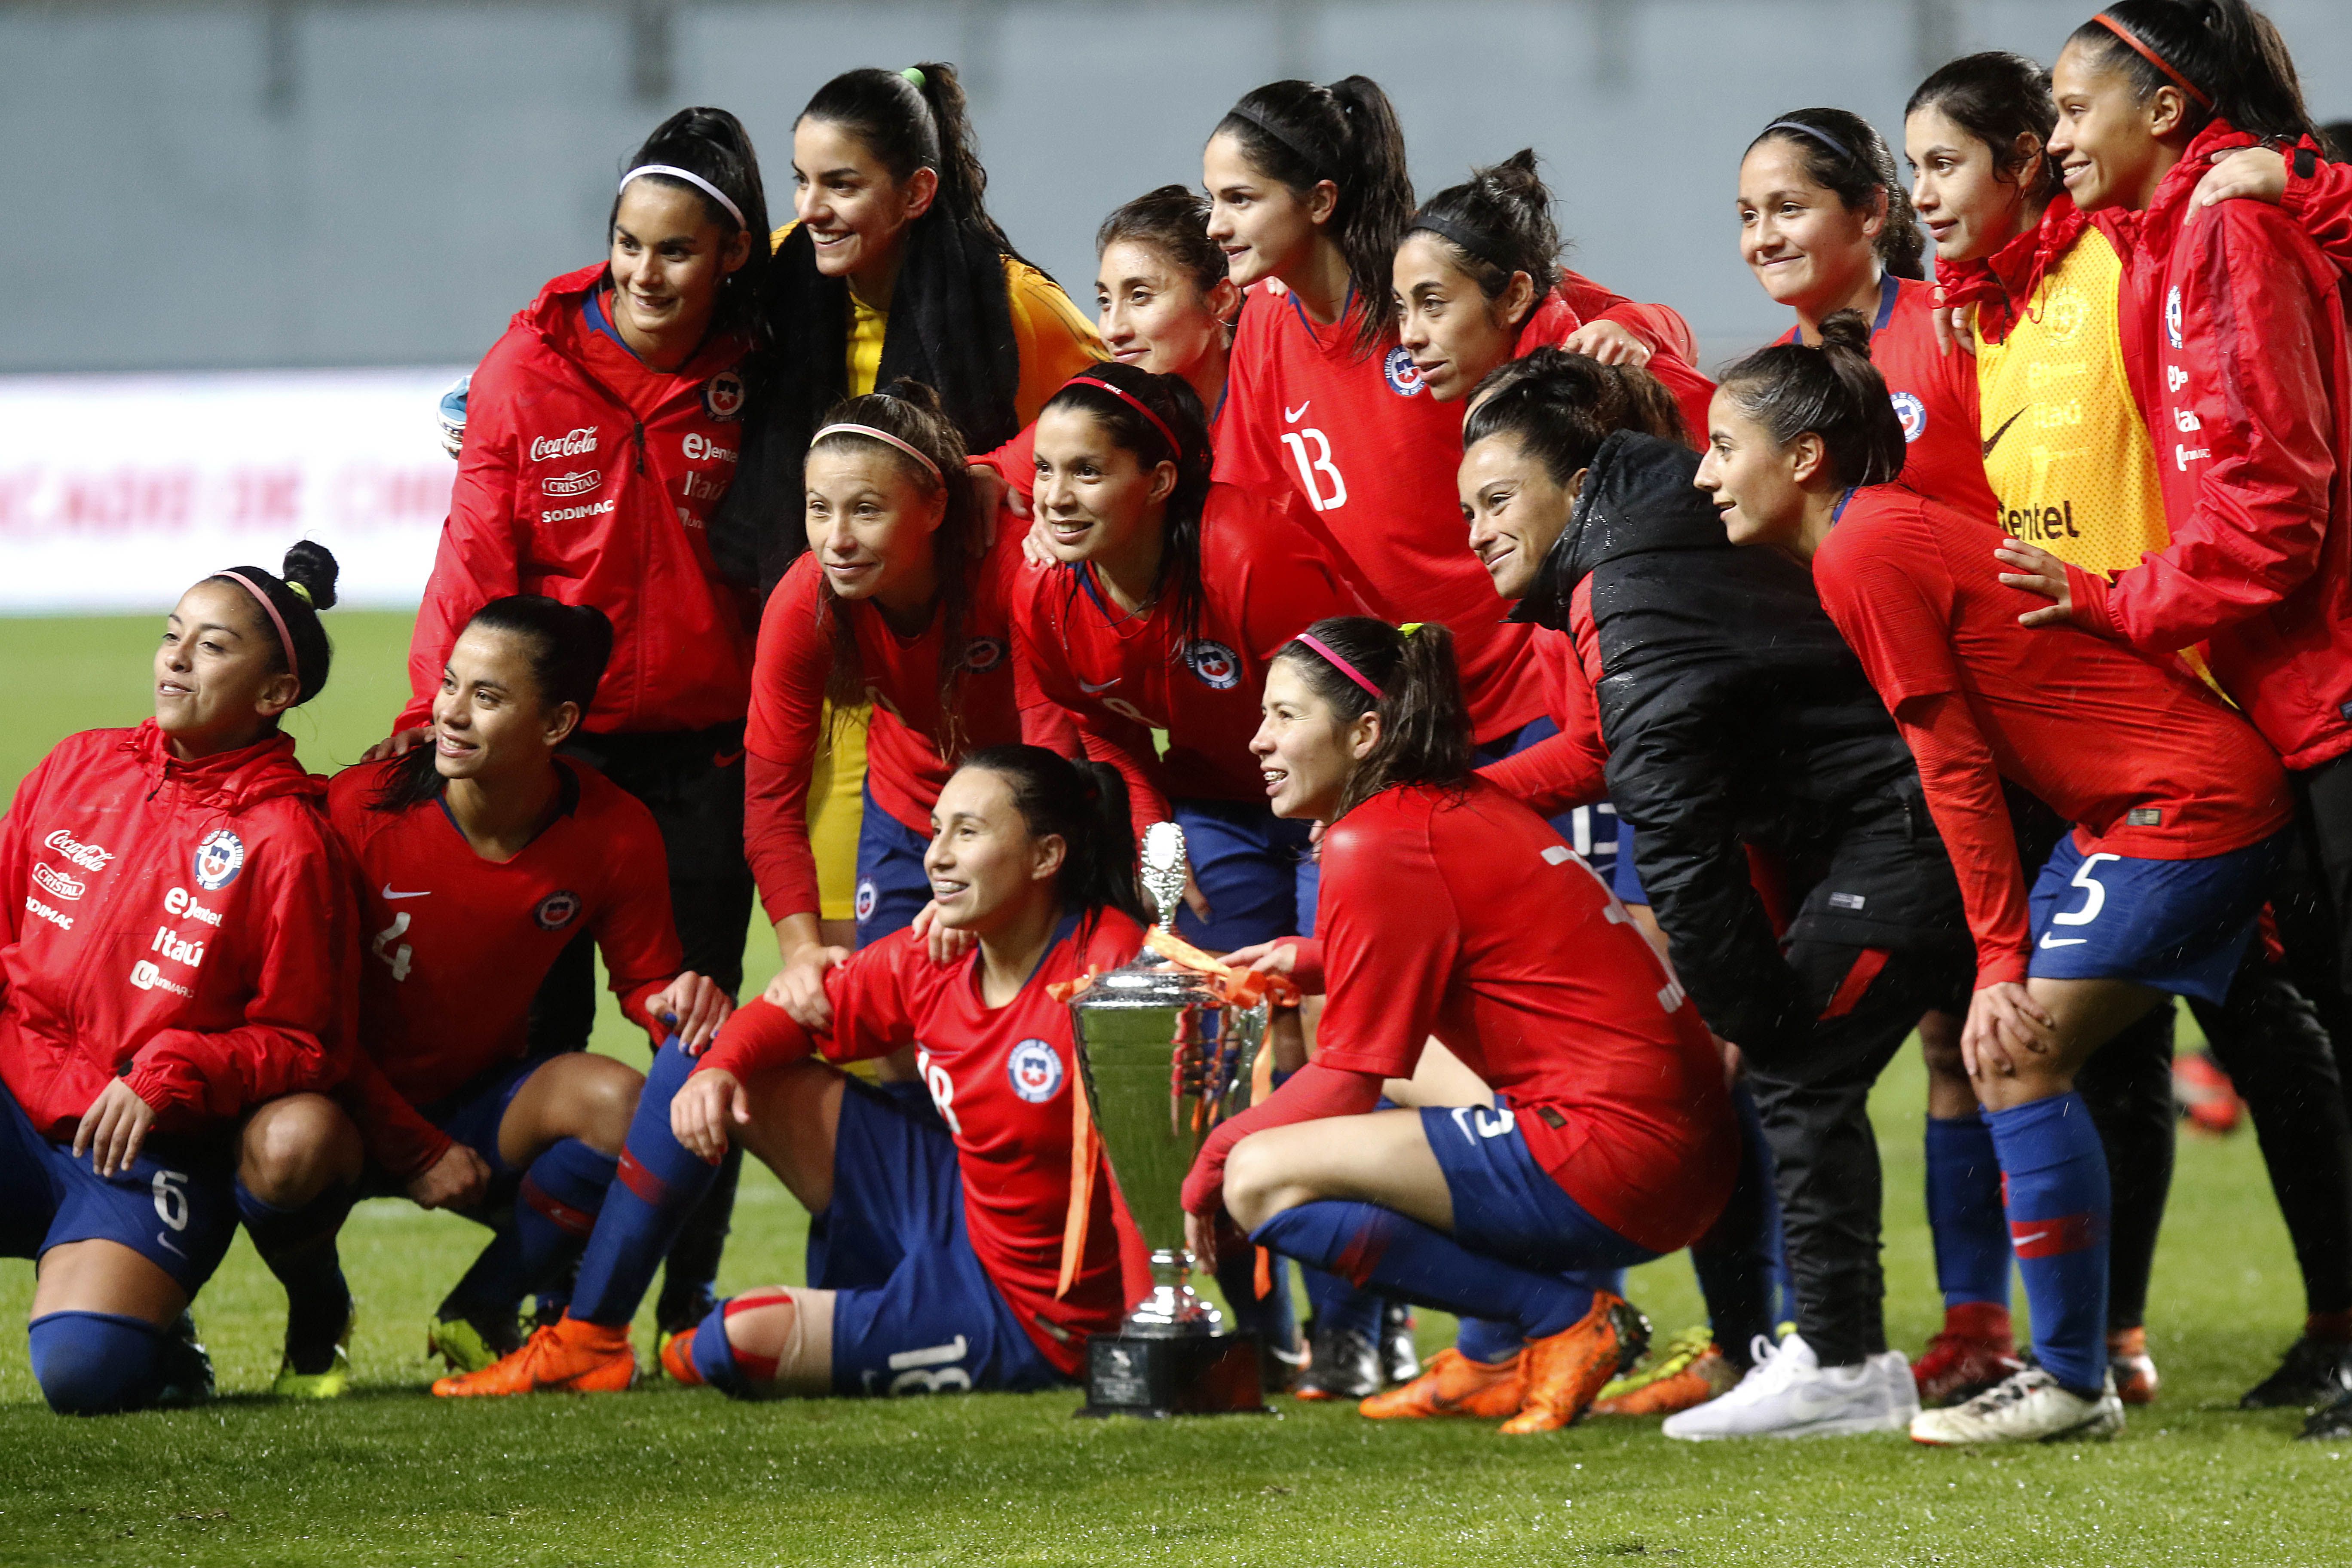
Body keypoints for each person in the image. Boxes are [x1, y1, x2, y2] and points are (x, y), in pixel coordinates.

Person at [1706, 311, 2294, 1444]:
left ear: (1805, 458)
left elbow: (1955, 767)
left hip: (2186, 806)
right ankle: (2077, 1365)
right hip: (2154, 804)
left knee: (2013, 1047)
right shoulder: (1873, 536)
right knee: (2028, 1053)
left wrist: (1997, 960)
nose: (1705, 472)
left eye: (1726, 446)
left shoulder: (1863, 550)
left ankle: (2075, 1382)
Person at [1911, 45, 2352, 1415]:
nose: (1923, 192)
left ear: (2027, 163)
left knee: (2272, 1033)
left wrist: (2309, 174)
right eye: (1909, 168)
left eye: (1942, 163)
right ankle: (2110, 1340)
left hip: (2206, 702)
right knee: (2133, 1046)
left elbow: (2264, 505)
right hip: (2097, 706)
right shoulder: (1965, 319)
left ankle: (2301, 1320)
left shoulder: (2150, 242)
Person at [1462, 351, 1974, 1439]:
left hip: (1906, 833)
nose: (1477, 532)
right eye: (1467, 509)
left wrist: (1746, 1012)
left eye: (1498, 500)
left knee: (1800, 1061)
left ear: (1575, 479)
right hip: (1903, 824)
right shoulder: (1653, 536)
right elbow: (1618, 752)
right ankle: (2039, 1353)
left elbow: (1676, 827)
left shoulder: (1628, 588)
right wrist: (1454, 797)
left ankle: (1848, 1363)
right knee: (2042, 1066)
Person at [382, 107, 769, 1346]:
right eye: (627, 246)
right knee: (533, 1046)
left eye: (675, 251)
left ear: (732, 258)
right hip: (563, 756)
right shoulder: (524, 373)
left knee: (695, 1032)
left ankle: (684, 1302)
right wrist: (424, 711)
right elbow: (474, 562)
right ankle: (527, 1291)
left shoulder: (766, 366)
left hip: (710, 756)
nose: (646, 275)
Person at [1176, 616, 1737, 1435]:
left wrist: (1210, 1163)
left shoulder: (1373, 837)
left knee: (1260, 1175)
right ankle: (1490, 1356)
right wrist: (1304, 956)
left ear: (1365, 732)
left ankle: (1560, 1319)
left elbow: (1349, 1073)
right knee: (1374, 1083)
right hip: (1675, 1149)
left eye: (1285, 716)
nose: (1260, 740)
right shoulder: (1451, 800)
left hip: (1617, 1161)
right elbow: (1455, 956)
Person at [231, 597, 732, 1396]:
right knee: (285, 1149)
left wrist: (685, 1003)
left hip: (473, 1104)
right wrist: (416, 1151)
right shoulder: (361, 807)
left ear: (558, 723)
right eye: (450, 683)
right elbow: (308, 1020)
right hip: (340, 1100)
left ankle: (484, 1306)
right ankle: (317, 1312)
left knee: (626, 1103)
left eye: (488, 697)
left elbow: (643, 983)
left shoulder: (613, 830)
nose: (451, 714)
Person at [1013, 361, 1368, 1389]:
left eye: (1086, 472)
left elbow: (1360, 694)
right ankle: (1247, 1333)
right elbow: (1088, 717)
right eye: (1045, 471)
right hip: (1219, 806)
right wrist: (1152, 818)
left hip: (1339, 796)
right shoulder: (1046, 588)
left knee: (1326, 1045)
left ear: (1158, 482)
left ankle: (1356, 1330)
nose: (1054, 495)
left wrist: (1342, 834)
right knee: (1218, 1055)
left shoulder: (1244, 552)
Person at [652, 747, 1150, 1399]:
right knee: (717, 1055)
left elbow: (1143, 1176)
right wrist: (717, 1069)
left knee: (735, 1343)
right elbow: (786, 1018)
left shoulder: (1108, 972)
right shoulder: (940, 948)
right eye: (938, 828)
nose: (936, 855)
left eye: (966, 833)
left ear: (1045, 857)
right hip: (957, 1209)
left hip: (1035, 1317)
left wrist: (1145, 1345)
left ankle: (707, 1344)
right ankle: (590, 1330)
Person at [0, 544, 356, 1415]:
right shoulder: (77, 766)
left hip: (143, 1144)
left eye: (212, 646)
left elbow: (306, 1044)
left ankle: (152, 1318)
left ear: (276, 695)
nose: (177, 657)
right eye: (173, 635)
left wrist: (173, 1073)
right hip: (17, 1102)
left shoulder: (288, 842)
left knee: (86, 1378)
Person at [747, 383, 1076, 1029]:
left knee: (1027, 1023)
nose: (836, 539)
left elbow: (1052, 758)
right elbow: (769, 801)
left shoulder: (1012, 567)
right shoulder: (803, 603)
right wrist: (802, 953)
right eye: (819, 509)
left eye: (866, 510)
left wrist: (978, 888)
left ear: (933, 508)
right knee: (896, 1031)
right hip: (909, 806)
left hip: (1038, 812)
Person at [1393, 148, 1715, 435]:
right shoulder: (1527, 386)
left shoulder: (1601, 397)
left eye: (1433, 304)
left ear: (1516, 297)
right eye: (1402, 308)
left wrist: (1642, 322)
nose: (1409, 337)